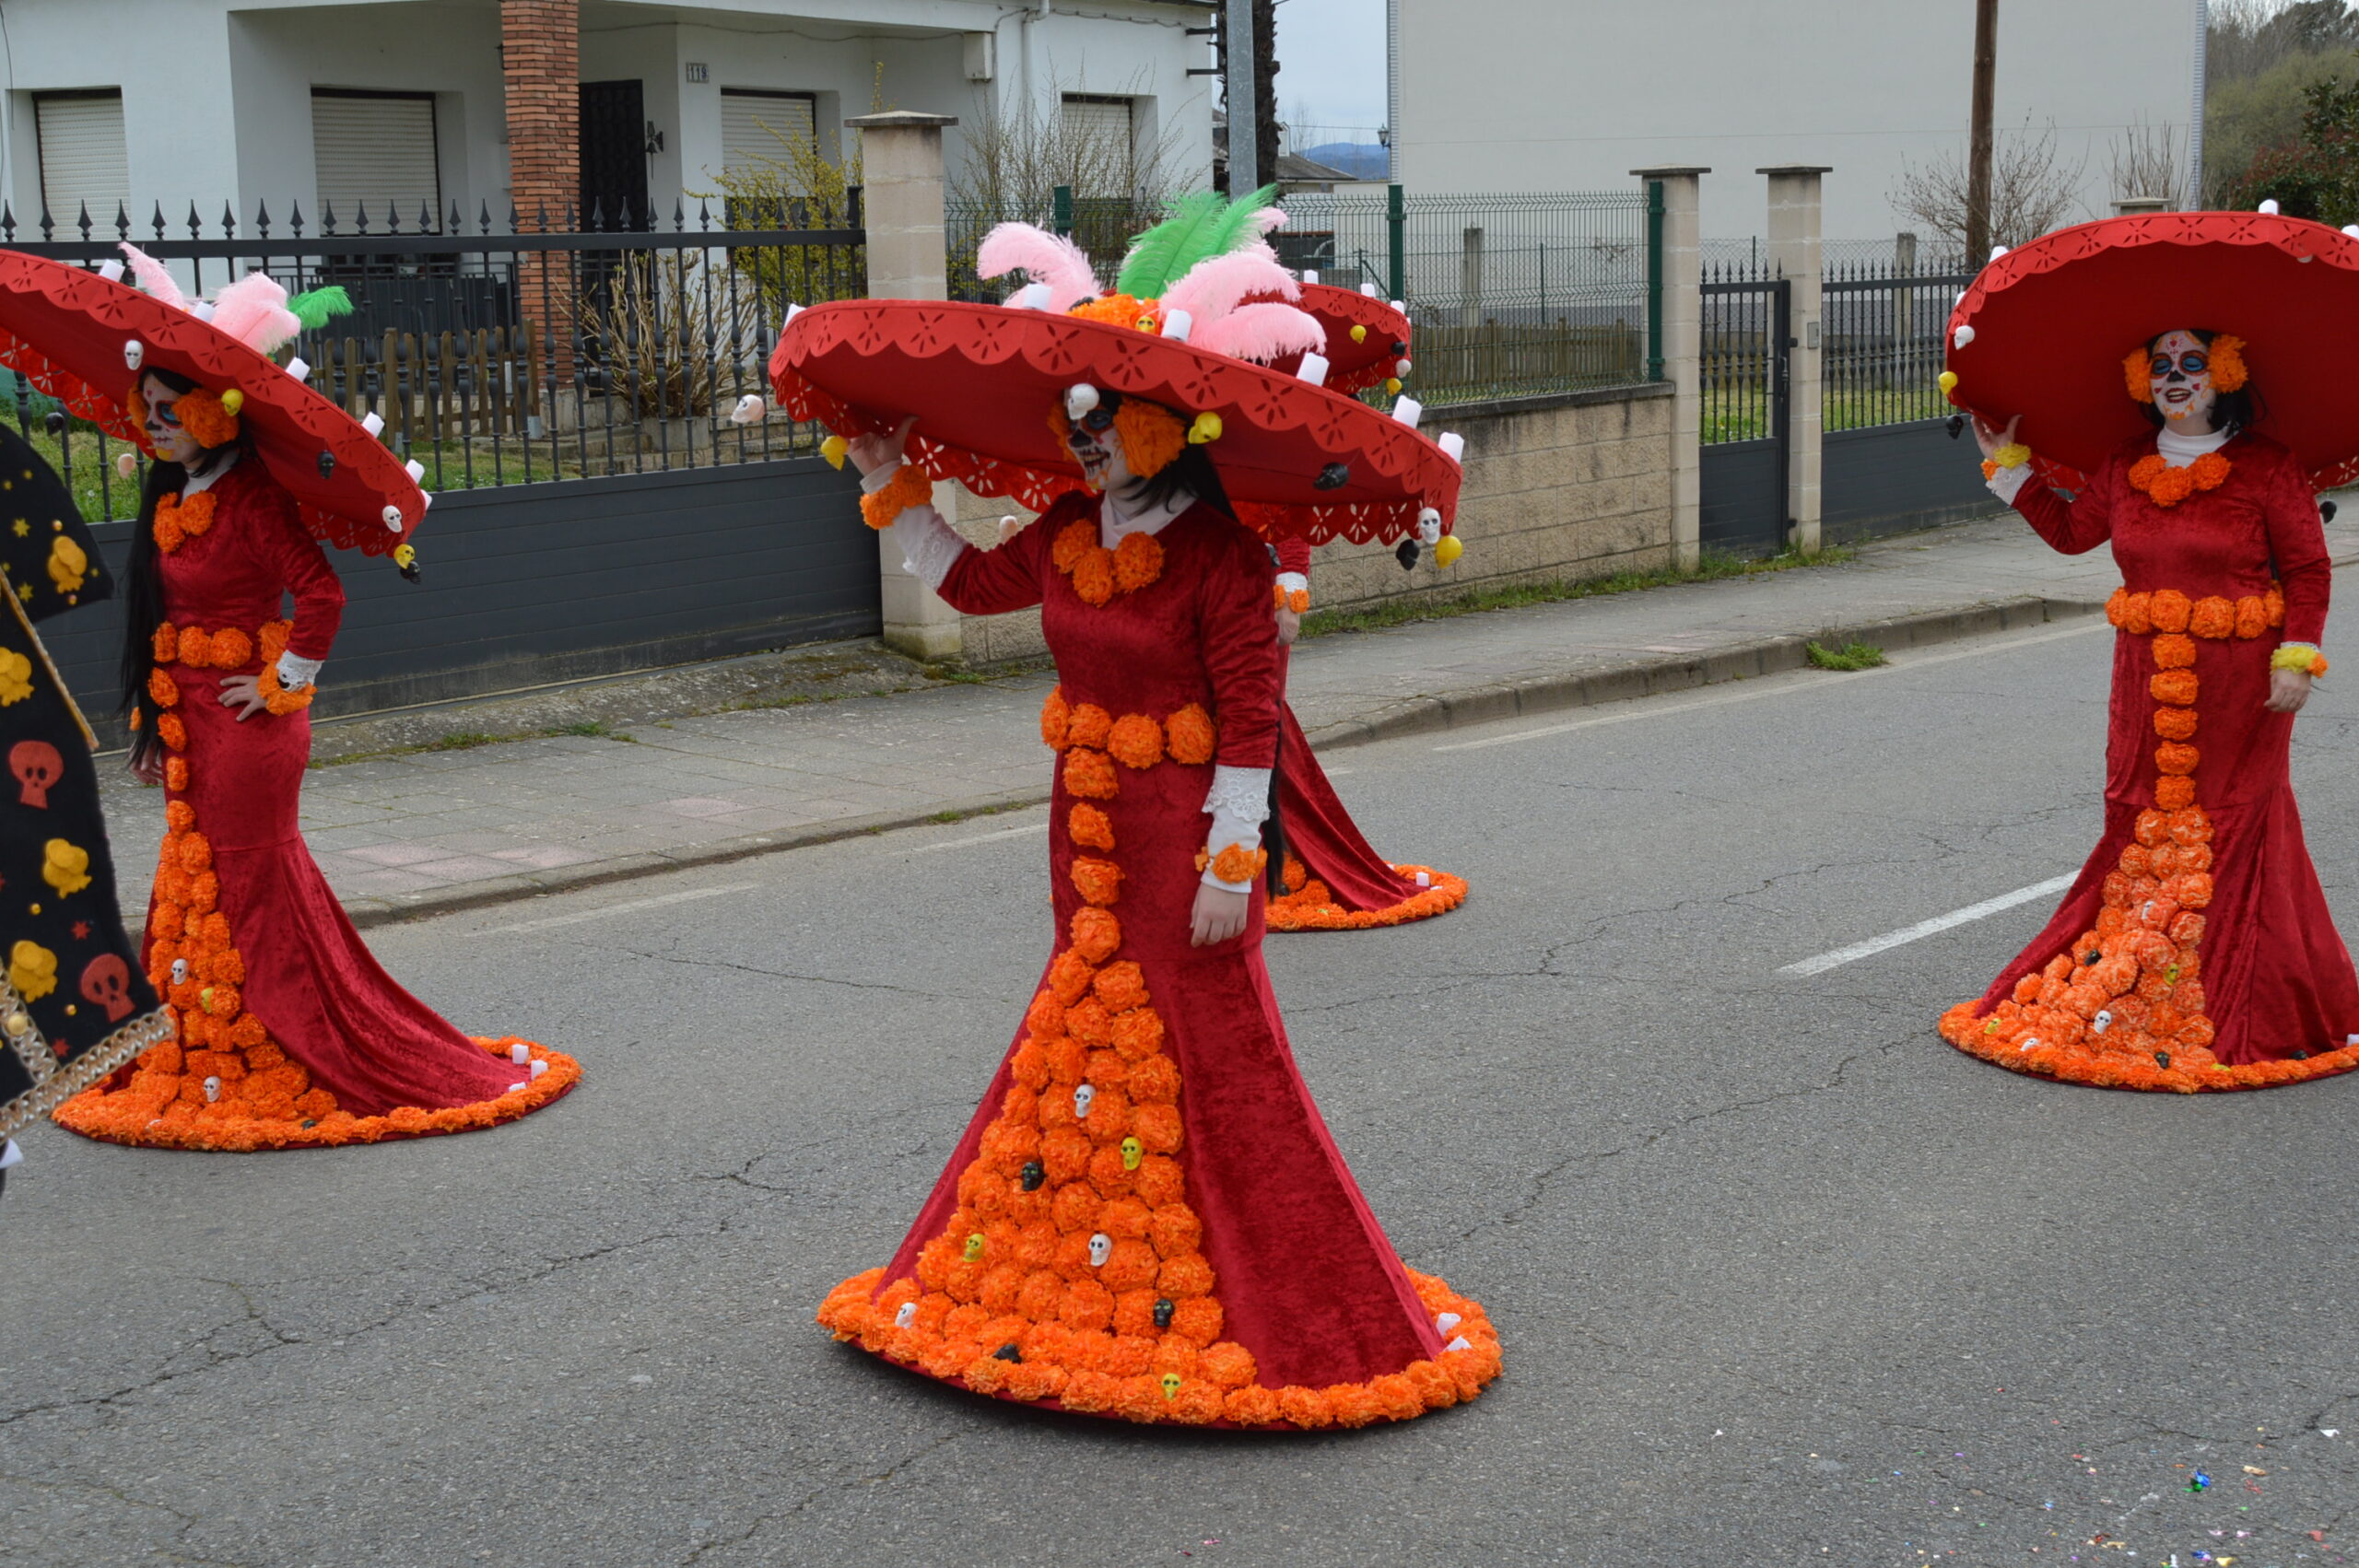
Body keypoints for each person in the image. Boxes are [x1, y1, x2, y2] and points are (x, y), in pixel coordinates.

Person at [779, 193, 1499, 1427]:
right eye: (1078, 423)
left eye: (1103, 420)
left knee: (1212, 1034)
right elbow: (967, 579)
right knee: (1086, 994)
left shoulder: (1220, 557)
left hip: (1185, 833)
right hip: (1086, 816)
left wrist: (1236, 858)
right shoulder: (1064, 529)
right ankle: (1082, 1252)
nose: (1088, 440)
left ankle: (1252, 1275)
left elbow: (1253, 717)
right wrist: (897, 487)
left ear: (1166, 424)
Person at [0, 249, 581, 1148]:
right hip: (189, 717)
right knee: (199, 872)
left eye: (167, 411)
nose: (149, 425)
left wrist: (281, 685)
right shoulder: (173, 493)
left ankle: (283, 1038)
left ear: (211, 413)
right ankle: (204, 1041)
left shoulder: (253, 500)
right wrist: (152, 722)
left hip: (248, 724)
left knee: (250, 874)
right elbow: (156, 622)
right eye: (144, 409)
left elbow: (323, 597)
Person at [1940, 318, 2359, 1089]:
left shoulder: (2268, 468)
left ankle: (2244, 1004)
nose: (2175, 376)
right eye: (2160, 365)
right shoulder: (2126, 464)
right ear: (2142, 382)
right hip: (2144, 682)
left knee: (2235, 823)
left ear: (2224, 373)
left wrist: (2298, 658)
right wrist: (2008, 466)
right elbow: (2071, 533)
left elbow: (2307, 570)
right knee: (2139, 816)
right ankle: (2136, 972)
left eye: (2191, 362)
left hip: (2242, 688)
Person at [1262, 536, 1467, 930]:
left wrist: (1289, 601)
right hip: (1210, 600)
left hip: (1262, 596)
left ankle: (1278, 855)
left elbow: (1293, 524)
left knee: (1258, 721)